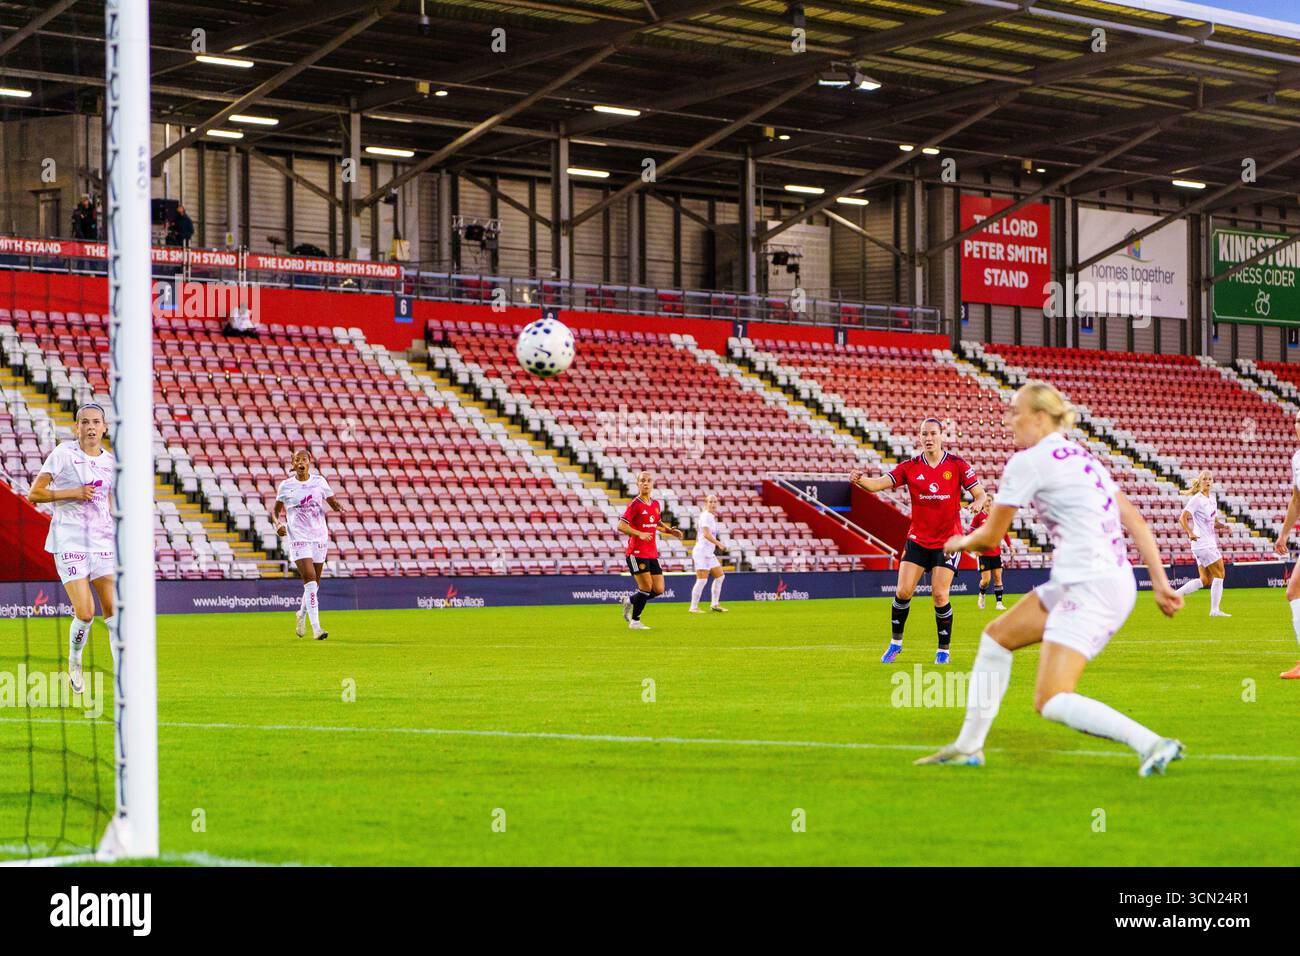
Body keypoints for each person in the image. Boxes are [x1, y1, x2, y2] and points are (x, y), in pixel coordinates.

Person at [916, 383, 1185, 776]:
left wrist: (959, 541)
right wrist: (1159, 583)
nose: (1009, 421)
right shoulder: (1083, 457)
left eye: (1015, 412)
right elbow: (1136, 521)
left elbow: (990, 537)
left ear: (1040, 418)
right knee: (996, 638)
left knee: (1051, 699)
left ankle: (1152, 743)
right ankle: (968, 747)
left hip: (1092, 586)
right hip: (1101, 578)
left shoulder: (1029, 461)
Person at [850, 418, 987, 665]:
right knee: (903, 591)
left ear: (942, 435)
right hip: (918, 540)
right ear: (920, 437)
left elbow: (980, 492)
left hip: (948, 542)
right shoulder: (910, 467)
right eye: (924, 434)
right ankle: (895, 644)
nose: (928, 438)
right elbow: (878, 484)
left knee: (939, 594)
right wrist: (860, 480)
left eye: (933, 433)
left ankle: (943, 650)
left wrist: (977, 502)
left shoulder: (957, 465)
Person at [26, 404, 116, 693]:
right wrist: (73, 493)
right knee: (87, 613)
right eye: (85, 422)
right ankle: (75, 660)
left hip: (102, 543)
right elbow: (34, 494)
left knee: (114, 612)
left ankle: (124, 678)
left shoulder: (111, 462)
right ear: (76, 427)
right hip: (70, 542)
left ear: (104, 427)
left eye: (96, 422)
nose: (90, 427)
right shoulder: (63, 454)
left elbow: (110, 503)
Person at [274, 450, 342, 640]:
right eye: (298, 460)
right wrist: (277, 524)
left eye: (304, 459)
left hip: (319, 537)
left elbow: (331, 500)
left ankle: (301, 614)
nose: (301, 462)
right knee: (310, 579)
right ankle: (317, 628)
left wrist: (337, 505)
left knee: (314, 584)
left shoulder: (320, 481)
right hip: (298, 537)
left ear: (309, 463)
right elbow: (275, 511)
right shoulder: (286, 486)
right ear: (293, 464)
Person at [618, 471, 684, 631]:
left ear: (652, 484)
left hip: (651, 553)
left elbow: (657, 522)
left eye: (648, 480)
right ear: (638, 484)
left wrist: (670, 531)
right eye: (642, 481)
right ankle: (635, 621)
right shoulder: (635, 505)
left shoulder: (655, 504)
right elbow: (621, 525)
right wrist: (639, 533)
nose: (646, 483)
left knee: (659, 589)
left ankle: (630, 600)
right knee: (646, 587)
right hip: (636, 553)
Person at [1176, 470, 1231, 617]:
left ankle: (1175, 595)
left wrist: (1223, 526)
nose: (1207, 481)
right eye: (1205, 479)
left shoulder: (1212, 499)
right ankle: (1214, 610)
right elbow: (1183, 517)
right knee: (1220, 573)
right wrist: (1190, 532)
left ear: (1212, 482)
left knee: (1205, 580)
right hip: (1203, 543)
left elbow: (1213, 522)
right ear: (1200, 482)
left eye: (1209, 479)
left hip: (1205, 543)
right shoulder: (1197, 499)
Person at [1273, 410, 1300, 679]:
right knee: (1293, 591)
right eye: (1297, 421)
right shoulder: (1297, 459)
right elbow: (1296, 500)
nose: (1298, 426)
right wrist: (1283, 534)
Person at [968, 500, 1011, 610]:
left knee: (998, 577)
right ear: (983, 503)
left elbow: (1003, 532)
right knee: (986, 580)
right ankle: (982, 594)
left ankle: (999, 603)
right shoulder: (978, 517)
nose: (988, 503)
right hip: (983, 553)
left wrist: (1010, 545)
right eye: (986, 501)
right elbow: (970, 533)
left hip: (996, 552)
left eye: (990, 501)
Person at [688, 494, 727, 613]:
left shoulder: (710, 517)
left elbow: (699, 535)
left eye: (715, 502)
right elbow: (706, 534)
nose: (713, 504)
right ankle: (693, 607)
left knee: (720, 576)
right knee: (702, 580)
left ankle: (715, 604)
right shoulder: (705, 516)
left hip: (708, 553)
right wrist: (719, 544)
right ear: (706, 504)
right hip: (702, 553)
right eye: (710, 502)